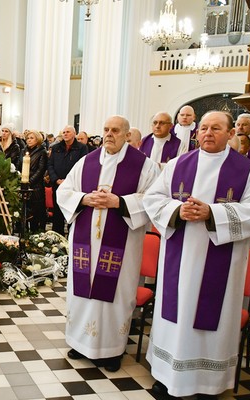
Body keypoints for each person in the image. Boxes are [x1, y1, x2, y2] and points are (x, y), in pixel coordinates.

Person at [142, 111, 250, 398]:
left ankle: (206, 382)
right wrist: (177, 210)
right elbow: (152, 198)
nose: (208, 133)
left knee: (211, 317)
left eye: (216, 128)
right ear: (196, 132)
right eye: (203, 128)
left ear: (230, 134)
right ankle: (167, 375)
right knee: (174, 316)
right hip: (179, 256)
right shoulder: (177, 164)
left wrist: (211, 213)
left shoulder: (249, 171)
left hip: (222, 263)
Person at [57, 115, 160, 372]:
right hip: (85, 241)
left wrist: (120, 203)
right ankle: (80, 342)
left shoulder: (144, 166)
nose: (109, 134)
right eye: (106, 129)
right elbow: (64, 192)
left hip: (121, 243)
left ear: (127, 135)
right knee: (82, 293)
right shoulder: (86, 162)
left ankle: (111, 350)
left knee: (116, 295)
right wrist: (84, 198)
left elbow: (154, 199)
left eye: (115, 130)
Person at [47, 125, 88, 235]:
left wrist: (69, 181)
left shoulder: (81, 148)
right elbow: (50, 165)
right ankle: (57, 237)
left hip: (73, 186)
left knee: (72, 212)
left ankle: (71, 238)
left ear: (74, 134)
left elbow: (82, 166)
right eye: (64, 132)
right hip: (58, 185)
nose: (65, 134)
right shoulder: (56, 148)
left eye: (68, 132)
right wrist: (56, 179)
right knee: (57, 213)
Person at [25, 131, 48, 232]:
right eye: (28, 138)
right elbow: (19, 165)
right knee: (26, 212)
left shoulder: (42, 152)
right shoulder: (24, 151)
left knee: (37, 212)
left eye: (31, 138)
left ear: (37, 139)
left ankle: (37, 232)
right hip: (24, 184)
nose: (29, 140)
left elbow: (41, 169)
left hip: (36, 186)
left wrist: (29, 181)